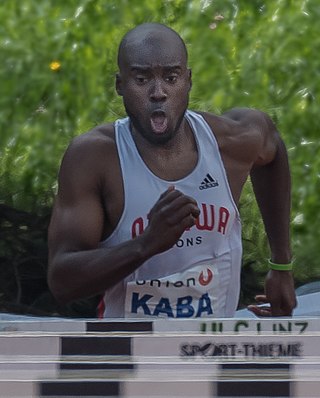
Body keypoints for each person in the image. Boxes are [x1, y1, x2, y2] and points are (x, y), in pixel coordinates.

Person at [47, 22, 296, 318]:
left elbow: (272, 146)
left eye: (171, 77)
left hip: (213, 349)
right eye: (141, 79)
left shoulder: (228, 143)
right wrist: (146, 244)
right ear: (119, 85)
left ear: (188, 81)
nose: (158, 93)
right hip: (128, 351)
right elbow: (62, 281)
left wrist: (281, 265)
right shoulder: (94, 158)